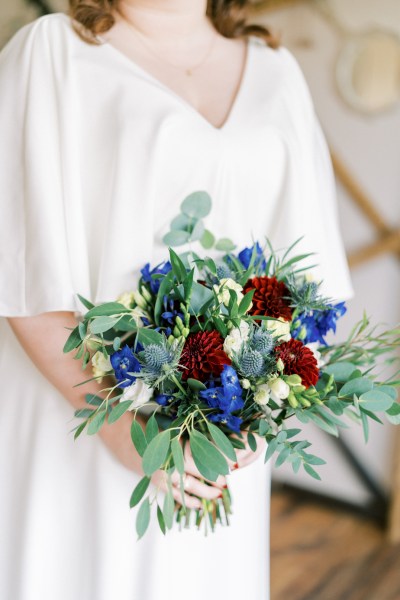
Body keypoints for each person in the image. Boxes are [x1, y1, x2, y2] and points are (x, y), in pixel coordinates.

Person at [0, 1, 354, 599]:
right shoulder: (53, 52)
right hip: (84, 419)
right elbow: (17, 268)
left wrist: (256, 420)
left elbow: (309, 292)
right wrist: (124, 435)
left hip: (224, 436)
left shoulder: (276, 71)